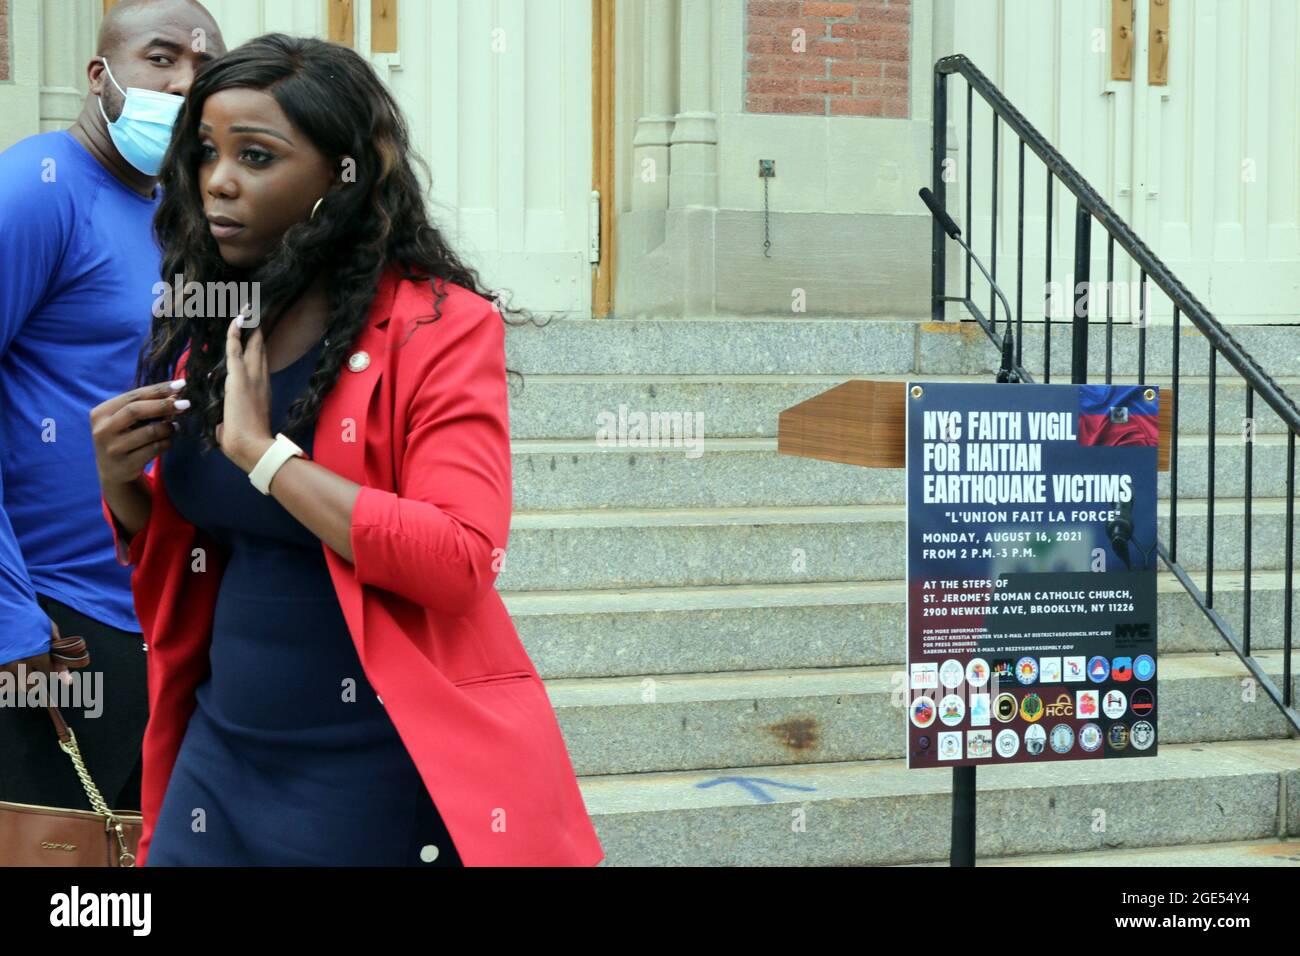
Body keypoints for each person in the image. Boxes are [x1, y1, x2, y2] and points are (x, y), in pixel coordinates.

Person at [92, 33, 604, 866]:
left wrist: (267, 457)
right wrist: (122, 489)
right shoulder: (215, 319)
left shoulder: (437, 328)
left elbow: (459, 557)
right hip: (218, 755)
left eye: (256, 156)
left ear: (342, 175)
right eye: (208, 153)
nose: (217, 180)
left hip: (371, 770)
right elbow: (207, 550)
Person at [0, 0, 224, 819]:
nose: (183, 83)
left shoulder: (190, 214)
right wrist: (8, 620)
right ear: (99, 77)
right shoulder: (36, 187)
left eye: (204, 69)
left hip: (160, 612)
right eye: (160, 59)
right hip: (56, 624)